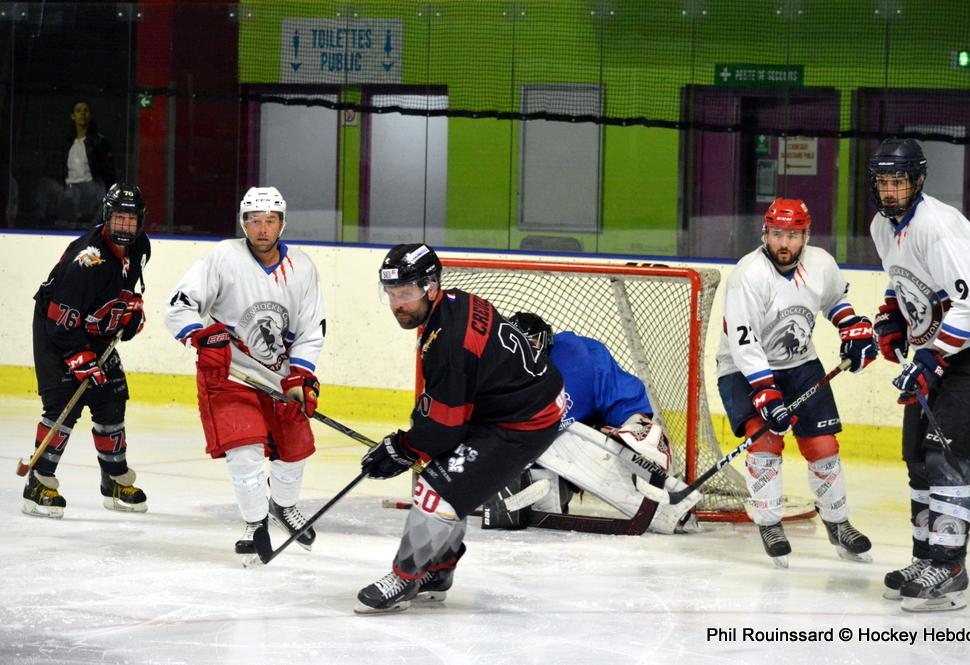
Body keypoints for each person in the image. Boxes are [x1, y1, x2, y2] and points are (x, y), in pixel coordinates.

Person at [356, 243, 565, 614]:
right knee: (442, 477)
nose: (397, 304)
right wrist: (411, 445)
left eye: (406, 293)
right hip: (516, 403)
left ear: (431, 287)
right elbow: (447, 410)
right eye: (391, 293)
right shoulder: (455, 302)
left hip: (524, 420)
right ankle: (437, 572)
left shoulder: (449, 344)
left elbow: (443, 428)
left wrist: (402, 448)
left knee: (436, 490)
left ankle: (406, 577)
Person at [868, 138, 970, 612]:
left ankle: (950, 566)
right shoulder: (883, 227)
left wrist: (932, 358)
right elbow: (902, 280)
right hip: (938, 351)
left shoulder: (940, 228)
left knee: (946, 455)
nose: (890, 191)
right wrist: (891, 317)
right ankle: (925, 558)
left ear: (918, 180)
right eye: (883, 182)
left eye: (899, 182)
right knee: (917, 458)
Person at [163, 186, 327, 567]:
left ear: (282, 223)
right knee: (244, 449)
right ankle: (254, 524)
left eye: (270, 220)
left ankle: (282, 506)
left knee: (295, 447)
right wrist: (200, 335)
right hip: (230, 375)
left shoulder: (302, 268)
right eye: (254, 220)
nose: (262, 228)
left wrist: (301, 376)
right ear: (243, 223)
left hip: (278, 377)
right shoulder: (224, 257)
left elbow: (310, 329)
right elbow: (179, 306)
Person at [716, 197, 877, 567]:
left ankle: (837, 522)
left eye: (792, 235)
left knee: (823, 445)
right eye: (776, 234)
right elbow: (744, 343)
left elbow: (835, 300)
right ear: (765, 234)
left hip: (800, 364)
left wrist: (851, 328)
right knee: (766, 441)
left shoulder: (820, 263)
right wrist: (766, 392)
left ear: (806, 236)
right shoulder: (748, 275)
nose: (783, 243)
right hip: (742, 368)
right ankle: (769, 524)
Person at [502, 312, 702, 534]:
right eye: (517, 346)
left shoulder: (580, 355)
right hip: (529, 454)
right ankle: (526, 488)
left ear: (547, 340)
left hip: (577, 442)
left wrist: (636, 424)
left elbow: (619, 396)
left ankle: (664, 498)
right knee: (539, 477)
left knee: (598, 440)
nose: (524, 354)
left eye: (531, 344)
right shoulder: (493, 373)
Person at [23, 183, 150, 518]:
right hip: (56, 331)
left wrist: (129, 311)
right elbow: (60, 318)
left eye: (131, 219)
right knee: (64, 404)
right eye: (119, 217)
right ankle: (38, 483)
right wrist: (79, 358)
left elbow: (124, 287)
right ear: (107, 216)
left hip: (93, 328)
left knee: (112, 398)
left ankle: (115, 479)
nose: (125, 225)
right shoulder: (88, 260)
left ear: (140, 221)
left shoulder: (140, 246)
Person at [34, 99, 115, 226]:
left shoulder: (98, 142)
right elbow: (59, 167)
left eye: (86, 111)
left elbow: (107, 171)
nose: (82, 114)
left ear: (90, 115)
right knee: (44, 184)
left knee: (83, 192)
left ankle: (89, 223)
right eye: (78, 111)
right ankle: (41, 221)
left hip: (89, 188)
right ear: (73, 116)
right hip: (68, 187)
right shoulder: (67, 143)